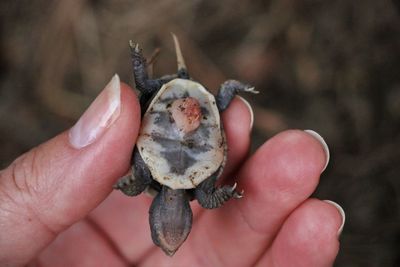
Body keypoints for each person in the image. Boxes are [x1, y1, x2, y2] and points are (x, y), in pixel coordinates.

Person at [0, 75, 345, 266]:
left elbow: (134, 179)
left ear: (156, 212)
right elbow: (213, 191)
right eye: (177, 227)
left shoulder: (145, 177)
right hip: (202, 114)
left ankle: (174, 79)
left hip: (165, 107)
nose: (172, 219)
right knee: (224, 100)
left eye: (165, 227)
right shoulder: (204, 193)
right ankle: (230, 88)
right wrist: (229, 192)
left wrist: (126, 183)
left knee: (145, 89)